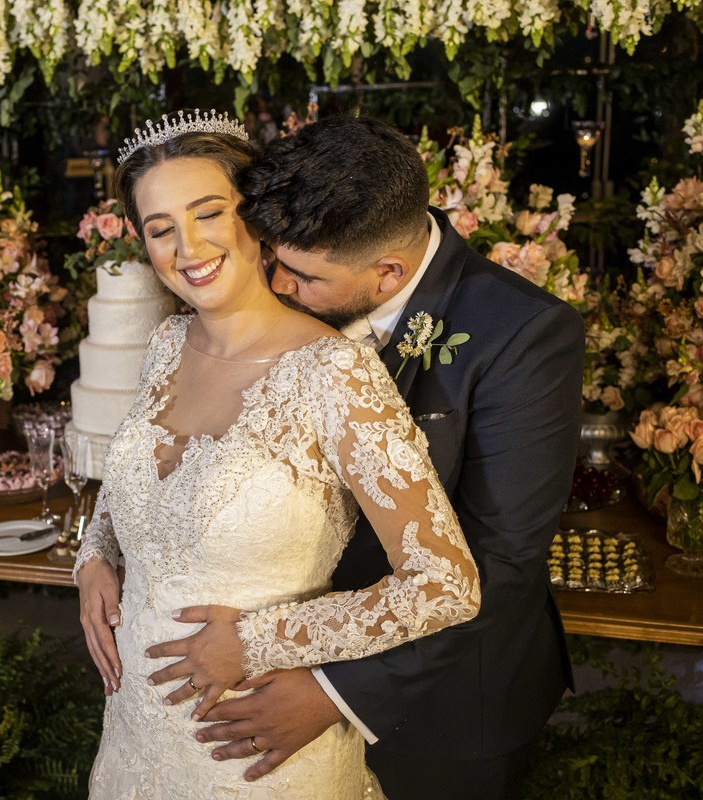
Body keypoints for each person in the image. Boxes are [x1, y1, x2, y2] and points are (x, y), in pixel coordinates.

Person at [171, 115, 584, 800]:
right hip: (271, 674)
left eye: (301, 274)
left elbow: (501, 563)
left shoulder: (526, 336)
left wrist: (334, 691)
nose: (275, 286)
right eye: (270, 257)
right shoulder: (275, 306)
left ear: (388, 270)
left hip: (439, 708)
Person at [74, 109, 481, 799]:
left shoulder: (334, 374)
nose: (188, 246)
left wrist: (258, 642)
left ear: (255, 217)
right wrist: (94, 557)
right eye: (160, 228)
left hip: (258, 751)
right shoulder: (167, 347)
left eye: (209, 213)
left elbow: (445, 585)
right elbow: (133, 488)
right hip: (136, 740)